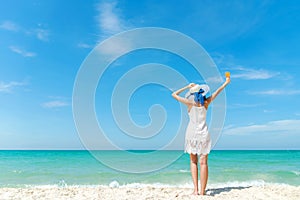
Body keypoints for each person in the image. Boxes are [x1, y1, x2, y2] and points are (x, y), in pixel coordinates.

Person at [172, 75, 230, 195]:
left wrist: (186, 87)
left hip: (191, 134)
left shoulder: (189, 103)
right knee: (203, 162)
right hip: (203, 133)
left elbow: (174, 94)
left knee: (193, 161)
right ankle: (202, 192)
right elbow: (217, 92)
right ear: (202, 93)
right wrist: (226, 83)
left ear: (193, 94)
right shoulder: (206, 103)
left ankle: (196, 190)